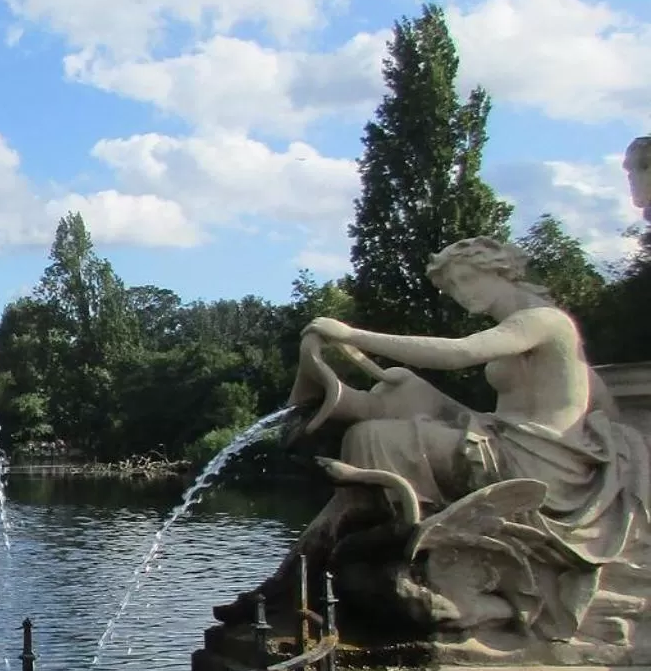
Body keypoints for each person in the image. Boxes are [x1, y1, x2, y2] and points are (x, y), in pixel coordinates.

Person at [266, 236, 649, 637]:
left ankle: (404, 555)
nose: (461, 293)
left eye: (467, 278)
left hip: (540, 467)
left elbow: (459, 353)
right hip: (511, 444)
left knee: (373, 438)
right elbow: (598, 398)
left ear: (501, 270)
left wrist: (352, 335)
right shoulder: (535, 329)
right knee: (405, 392)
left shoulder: (542, 320)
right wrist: (418, 394)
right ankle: (375, 556)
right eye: (452, 286)